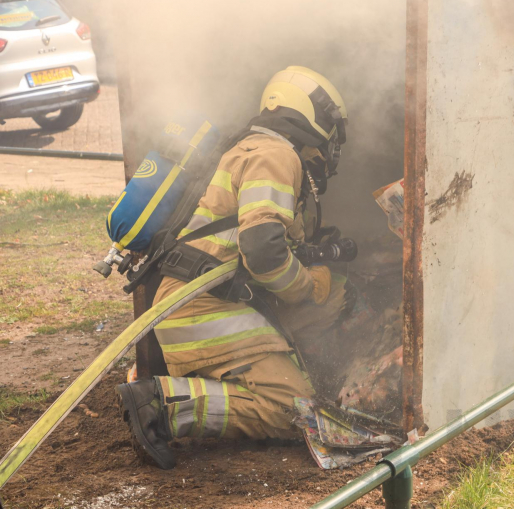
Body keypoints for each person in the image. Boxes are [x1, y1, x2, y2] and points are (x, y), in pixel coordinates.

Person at [115, 66, 352, 469]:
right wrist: (306, 287)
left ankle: (272, 368)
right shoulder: (276, 155)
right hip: (204, 309)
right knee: (294, 409)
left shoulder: (250, 148)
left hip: (201, 302)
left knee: (338, 293)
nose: (328, 149)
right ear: (313, 118)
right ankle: (161, 404)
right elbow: (263, 251)